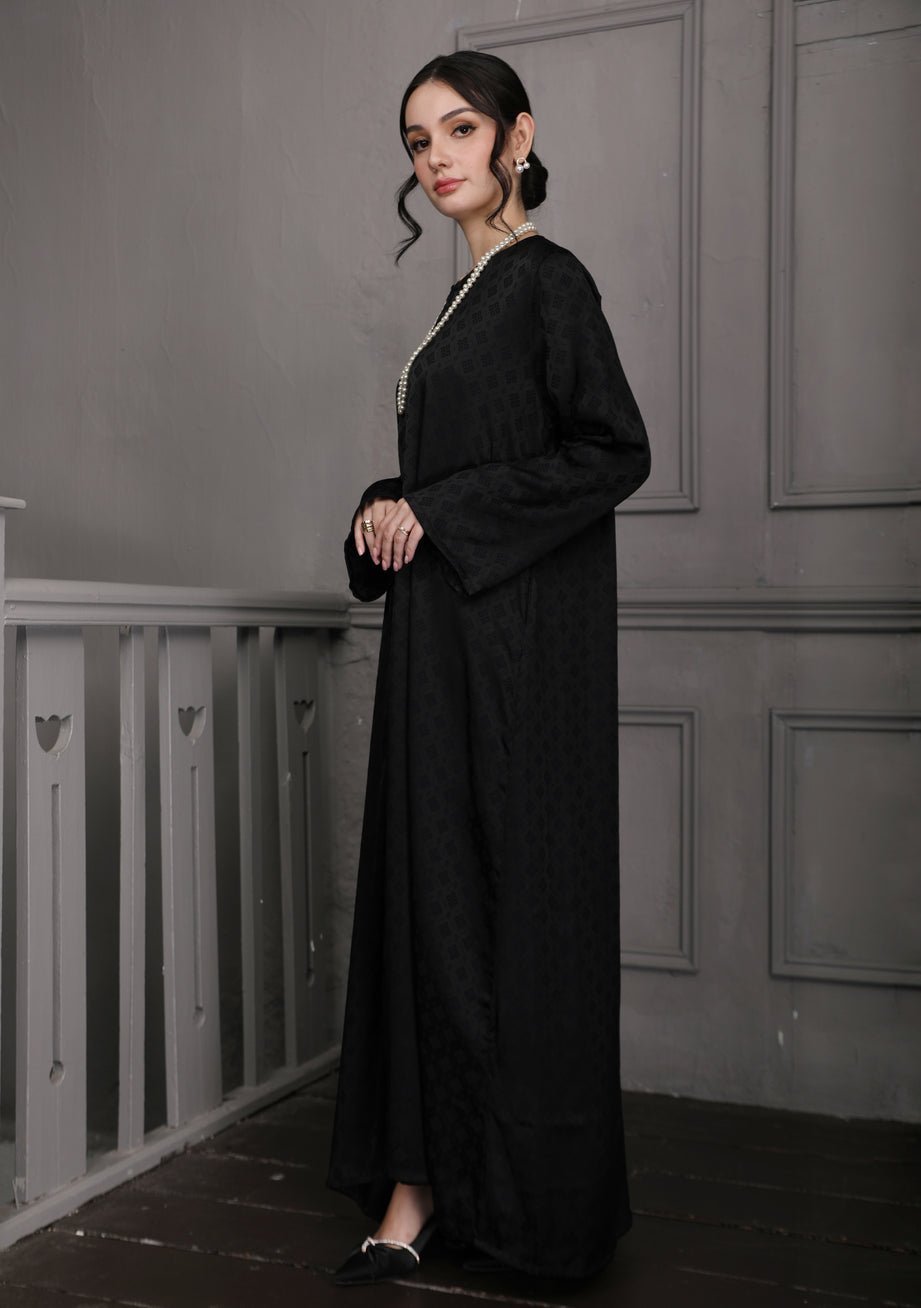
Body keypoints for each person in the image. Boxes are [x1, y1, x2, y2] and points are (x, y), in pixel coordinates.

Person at [327, 49, 650, 1286]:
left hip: (519, 656)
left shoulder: (547, 281)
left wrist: (441, 511)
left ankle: (532, 1213)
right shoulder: (464, 299)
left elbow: (611, 449)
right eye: (419, 141)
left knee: (510, 914)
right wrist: (392, 504)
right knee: (433, 901)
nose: (437, 157)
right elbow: (461, 472)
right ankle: (417, 1188)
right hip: (442, 649)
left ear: (518, 135)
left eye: (460, 129)